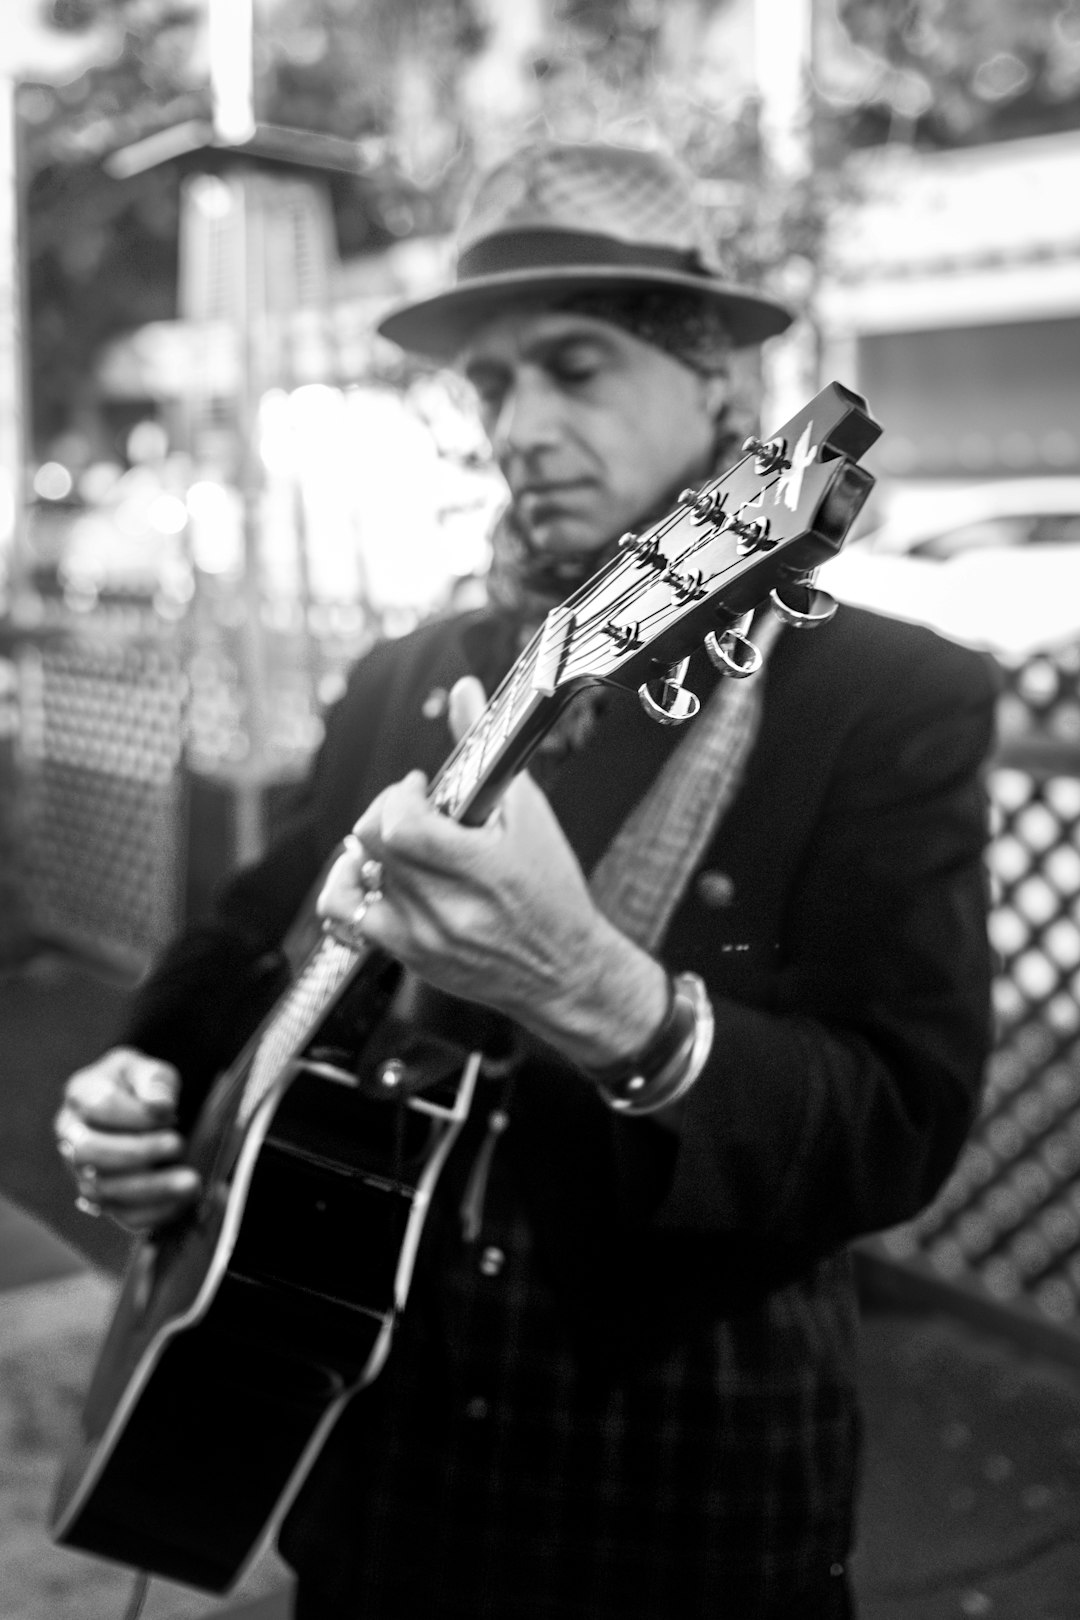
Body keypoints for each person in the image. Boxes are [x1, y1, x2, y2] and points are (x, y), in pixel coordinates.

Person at [53, 140, 999, 1618]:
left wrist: (603, 997)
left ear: (716, 385)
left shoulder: (889, 701)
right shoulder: (412, 676)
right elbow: (264, 925)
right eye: (492, 385)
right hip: (380, 1449)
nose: (520, 426)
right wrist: (147, 1081)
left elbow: (901, 1126)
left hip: (681, 1470)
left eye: (573, 367)